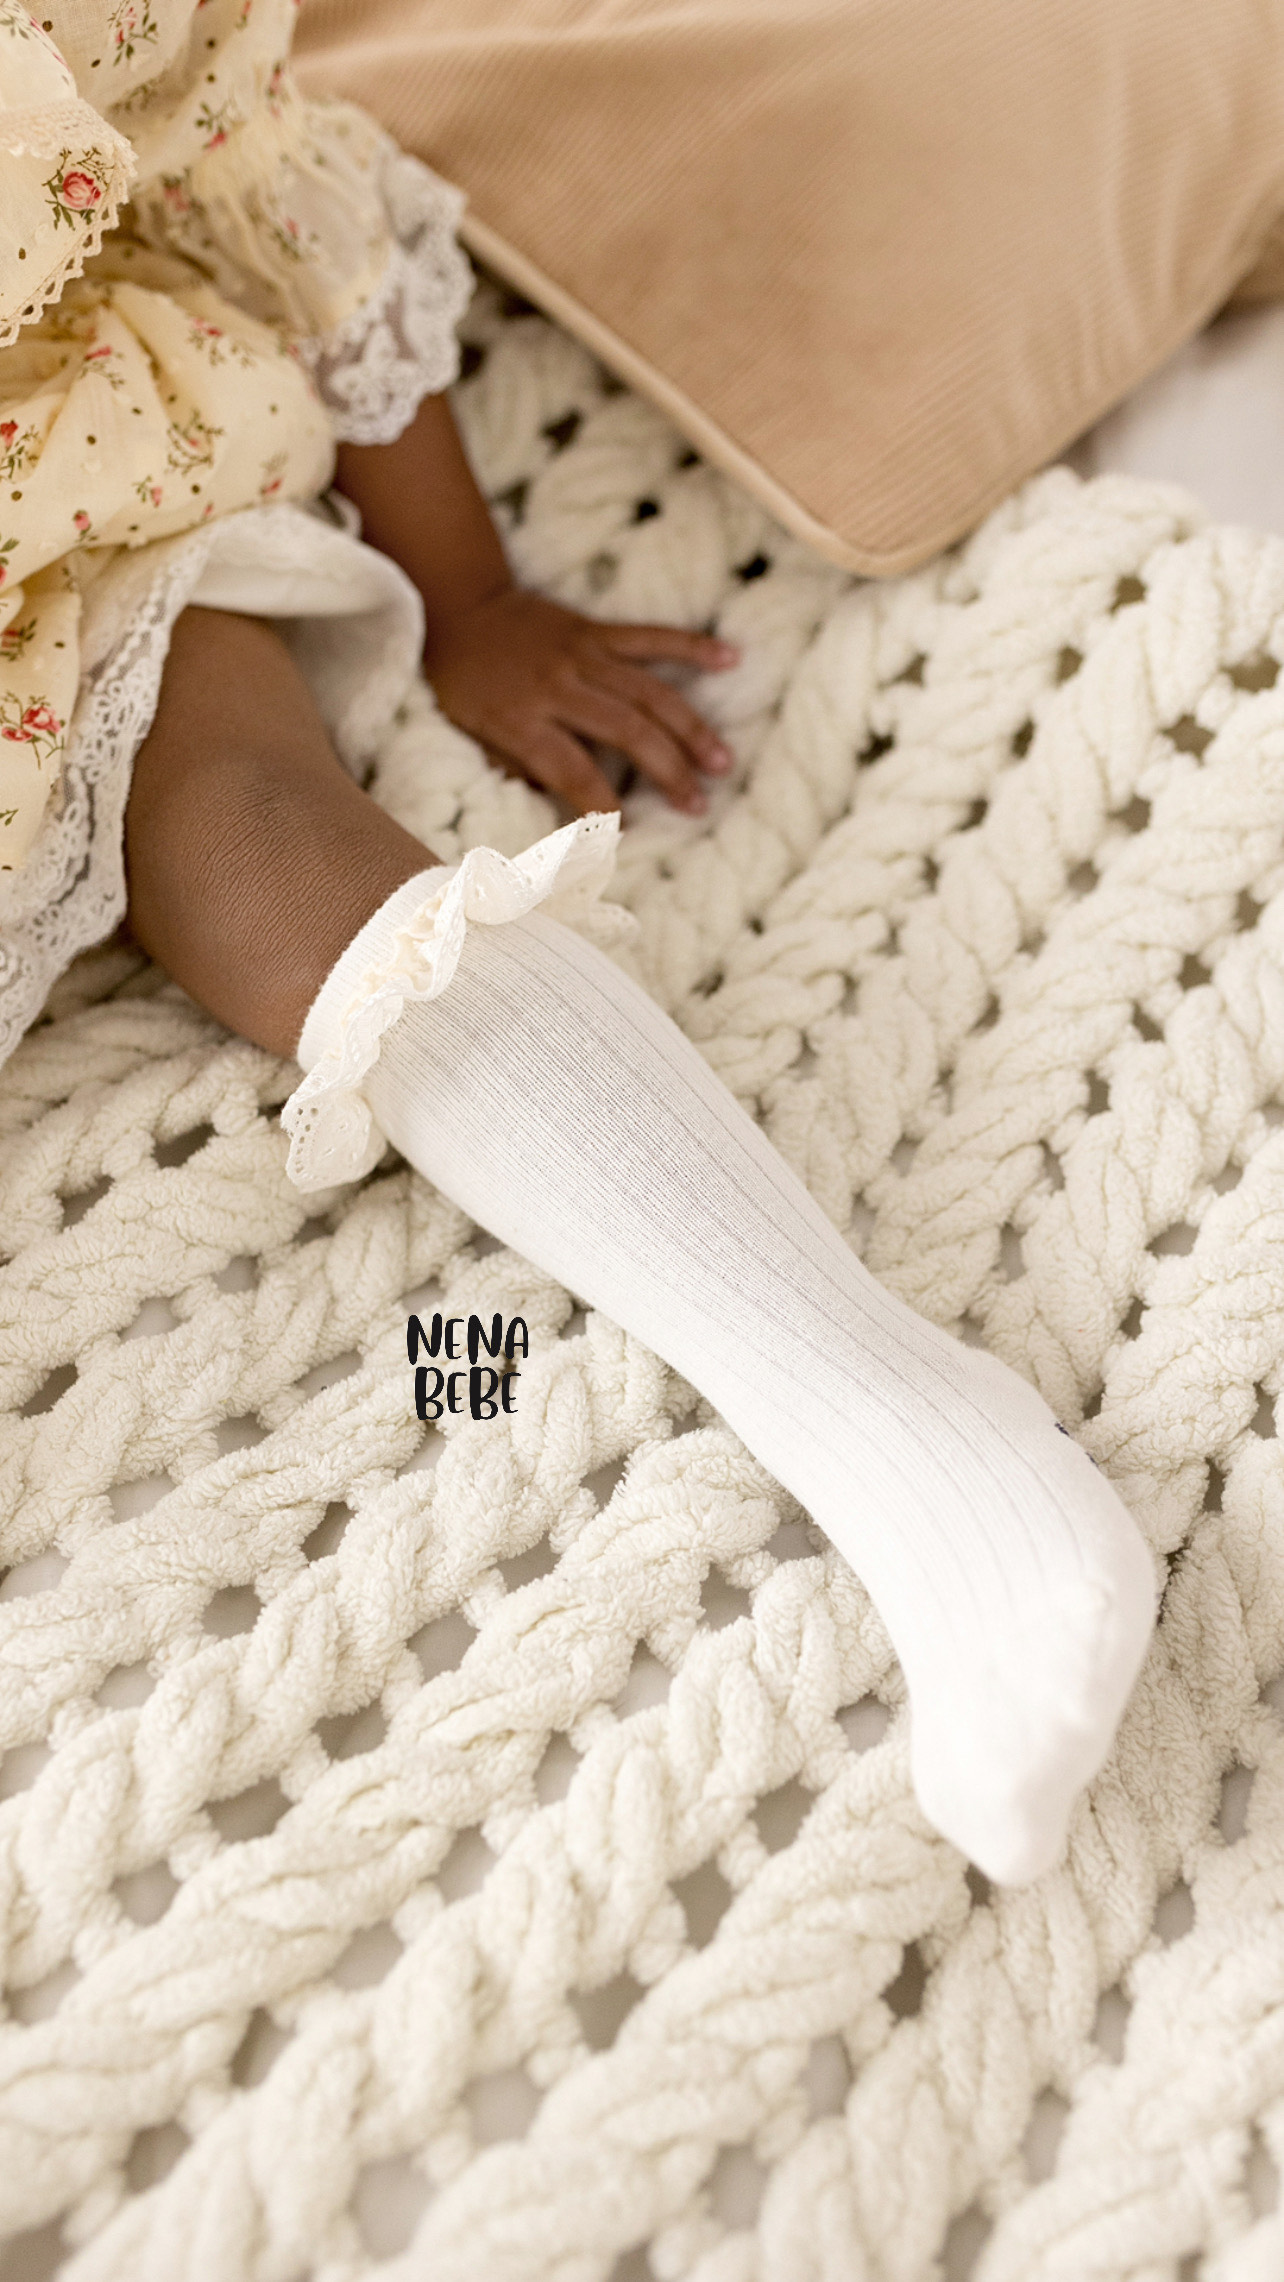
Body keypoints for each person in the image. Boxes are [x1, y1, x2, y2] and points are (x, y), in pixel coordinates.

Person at [0, 0, 1156, 1887]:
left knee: (245, 822)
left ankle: (893, 1420)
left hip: (75, 485)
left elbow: (261, 180)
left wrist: (467, 593)